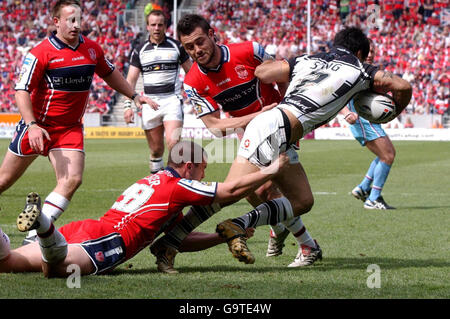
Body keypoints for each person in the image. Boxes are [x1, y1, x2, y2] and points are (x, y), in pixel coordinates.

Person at [214, 27, 412, 265]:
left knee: (293, 198)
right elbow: (402, 86)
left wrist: (287, 73)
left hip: (279, 126)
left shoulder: (310, 59)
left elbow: (263, 72)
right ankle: (179, 229)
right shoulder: (360, 70)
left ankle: (303, 243)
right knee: (242, 192)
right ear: (360, 52)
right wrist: (392, 113)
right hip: (275, 124)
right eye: (366, 55)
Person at [150, 14, 318, 269]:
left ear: (212, 34)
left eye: (200, 42)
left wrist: (288, 113)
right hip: (251, 134)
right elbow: (215, 127)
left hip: (279, 130)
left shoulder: (250, 51)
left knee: (257, 193)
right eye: (189, 47)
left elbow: (283, 76)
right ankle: (301, 241)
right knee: (255, 191)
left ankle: (174, 240)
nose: (197, 50)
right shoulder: (193, 81)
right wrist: (255, 118)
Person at [0, 140, 289, 277]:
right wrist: (273, 168)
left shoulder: (153, 180)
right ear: (188, 167)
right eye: (202, 169)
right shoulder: (179, 186)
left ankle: (44, 229)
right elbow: (230, 190)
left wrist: (220, 237)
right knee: (56, 271)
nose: (202, 176)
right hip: (107, 242)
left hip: (85, 229)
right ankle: (43, 225)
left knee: (7, 262)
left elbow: (175, 240)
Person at [0, 0, 154, 245]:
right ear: (56, 22)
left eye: (79, 20)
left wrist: (134, 95)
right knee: (3, 181)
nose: (76, 25)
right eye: (70, 20)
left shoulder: (92, 49)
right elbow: (21, 90)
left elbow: (109, 73)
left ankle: (33, 236)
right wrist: (32, 125)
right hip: (37, 126)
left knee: (72, 179)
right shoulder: (40, 52)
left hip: (69, 128)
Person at [124, 10, 192, 174]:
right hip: (149, 103)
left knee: (173, 143)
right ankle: (158, 184)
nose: (157, 28)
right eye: (153, 24)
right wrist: (128, 105)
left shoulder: (177, 47)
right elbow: (130, 80)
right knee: (156, 150)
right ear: (147, 26)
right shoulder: (140, 50)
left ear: (165, 26)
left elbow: (191, 73)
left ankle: (176, 184)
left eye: (160, 24)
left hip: (172, 100)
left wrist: (196, 98)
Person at [340, 39, 397, 210]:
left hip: (368, 121)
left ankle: (363, 188)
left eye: (373, 51)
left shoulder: (369, 70)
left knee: (384, 155)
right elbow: (338, 94)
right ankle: (373, 198)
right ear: (359, 51)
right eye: (368, 51)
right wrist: (346, 113)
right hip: (361, 121)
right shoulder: (354, 70)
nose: (371, 54)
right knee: (388, 155)